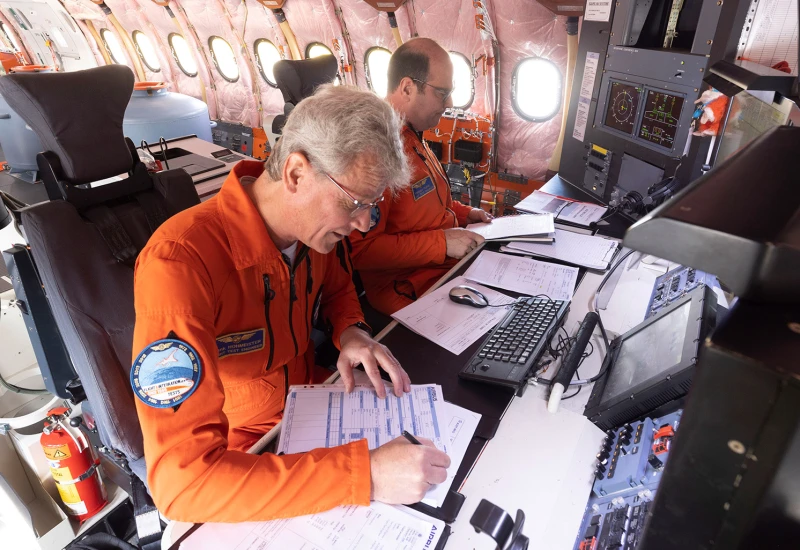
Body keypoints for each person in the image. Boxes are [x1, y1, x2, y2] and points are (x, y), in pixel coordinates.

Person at [131, 85, 450, 523]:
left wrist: (351, 331)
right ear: (297, 174)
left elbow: (338, 289)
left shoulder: (315, 232)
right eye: (355, 203)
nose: (362, 225)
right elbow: (182, 483)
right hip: (244, 457)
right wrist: (365, 474)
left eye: (372, 206)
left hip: (311, 413)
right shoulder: (179, 264)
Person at [350, 37, 492, 316]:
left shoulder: (415, 137)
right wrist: (443, 243)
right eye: (442, 92)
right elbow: (361, 251)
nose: (450, 102)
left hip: (443, 268)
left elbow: (426, 209)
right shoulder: (376, 150)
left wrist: (466, 214)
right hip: (409, 287)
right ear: (407, 88)